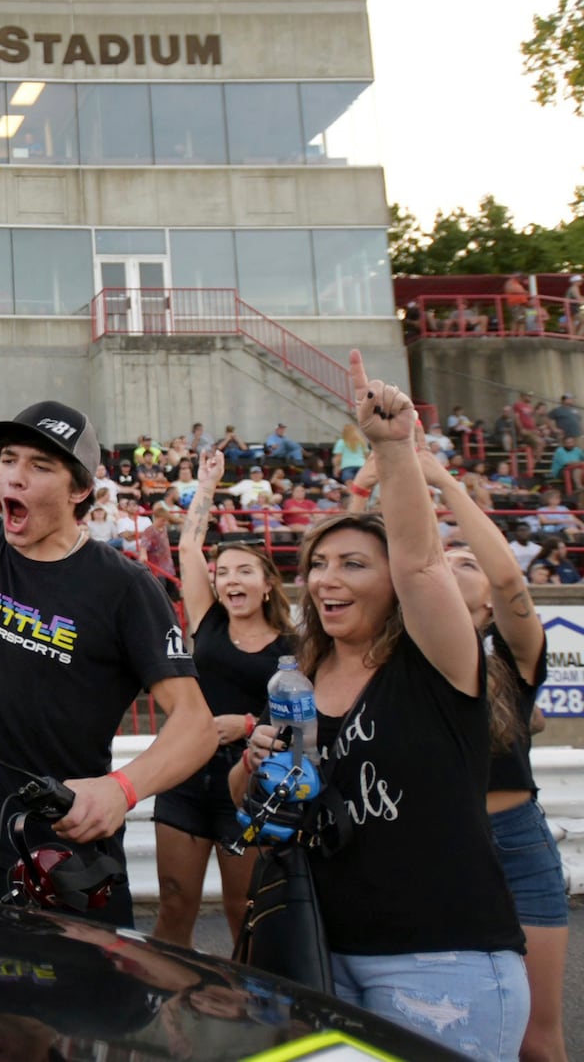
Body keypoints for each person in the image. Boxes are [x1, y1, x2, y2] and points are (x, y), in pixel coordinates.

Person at [231, 352, 527, 1059]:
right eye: (318, 566)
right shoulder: (298, 678)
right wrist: (251, 769)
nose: (328, 579)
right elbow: (259, 811)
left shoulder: (436, 663)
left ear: (395, 585)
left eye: (354, 564)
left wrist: (392, 448)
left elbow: (425, 562)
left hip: (442, 963)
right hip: (322, 953)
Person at [0, 398, 215, 922]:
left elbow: (196, 725)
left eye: (40, 467)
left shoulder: (125, 588)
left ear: (80, 489)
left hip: (66, 856)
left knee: (77, 1004)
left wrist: (122, 789)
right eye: (10, 459)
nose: (14, 477)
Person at [419, 453, 567, 1061]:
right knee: (439, 1026)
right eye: (444, 560)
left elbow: (511, 581)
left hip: (518, 845)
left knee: (537, 1037)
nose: (453, 564)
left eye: (466, 562)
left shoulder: (516, 654)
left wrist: (445, 480)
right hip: (438, 846)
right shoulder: (410, 658)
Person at [151, 449, 291, 949]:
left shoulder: (294, 649)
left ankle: (250, 1016)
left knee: (243, 911)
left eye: (244, 572)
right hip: (186, 772)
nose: (231, 580)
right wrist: (206, 485)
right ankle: (167, 1013)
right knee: (174, 902)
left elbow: (306, 726)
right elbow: (189, 546)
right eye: (225, 572)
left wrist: (250, 726)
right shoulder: (208, 620)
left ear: (268, 586)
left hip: (249, 782)